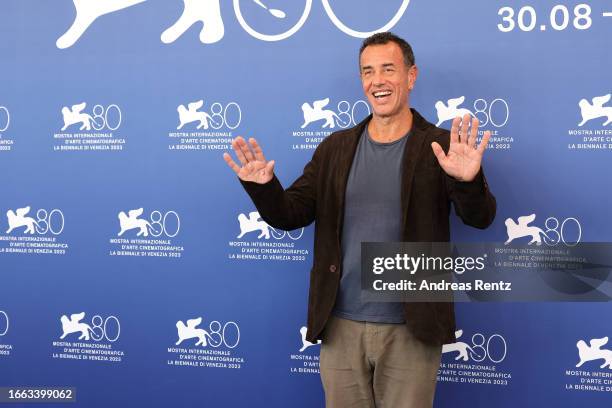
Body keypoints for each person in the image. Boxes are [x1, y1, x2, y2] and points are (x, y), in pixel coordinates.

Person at [223, 32, 496, 408]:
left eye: (388, 69)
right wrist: (264, 187)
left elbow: (480, 218)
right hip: (340, 324)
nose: (377, 81)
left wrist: (467, 181)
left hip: (411, 327)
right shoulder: (335, 148)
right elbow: (290, 214)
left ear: (411, 76)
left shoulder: (441, 146)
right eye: (368, 71)